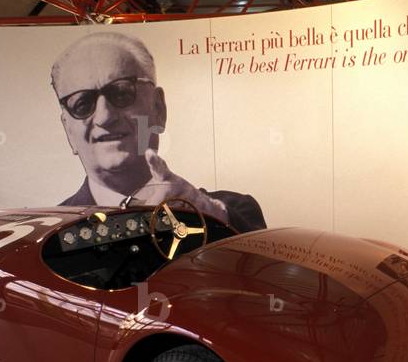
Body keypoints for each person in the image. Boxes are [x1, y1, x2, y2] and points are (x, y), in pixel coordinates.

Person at [51, 32, 266, 232]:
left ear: (158, 108)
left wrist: (211, 216)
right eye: (82, 104)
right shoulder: (52, 230)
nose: (105, 116)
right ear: (68, 131)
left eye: (122, 92)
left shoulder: (231, 213)